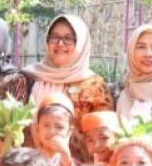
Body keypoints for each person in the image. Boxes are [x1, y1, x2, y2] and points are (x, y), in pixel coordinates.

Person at [24, 15, 113, 156]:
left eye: (68, 38)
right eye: (55, 37)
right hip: (30, 165)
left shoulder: (94, 85)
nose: (60, 43)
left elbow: (104, 136)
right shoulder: (29, 78)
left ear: (81, 44)